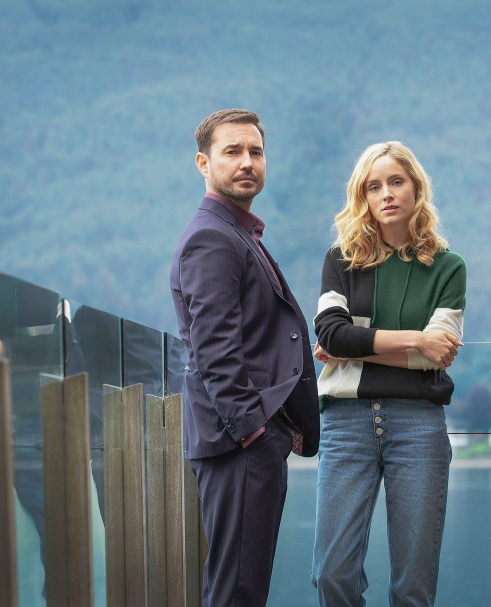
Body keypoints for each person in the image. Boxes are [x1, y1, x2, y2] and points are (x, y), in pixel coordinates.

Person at [170, 108, 321, 607]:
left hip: (245, 441)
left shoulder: (237, 231)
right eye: (231, 151)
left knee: (241, 588)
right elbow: (214, 351)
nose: (246, 162)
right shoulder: (212, 237)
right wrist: (256, 433)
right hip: (240, 445)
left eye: (255, 151)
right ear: (202, 162)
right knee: (237, 591)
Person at [311, 141, 467, 607]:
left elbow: (436, 357)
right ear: (362, 197)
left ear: (416, 188)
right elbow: (331, 335)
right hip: (345, 424)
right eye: (373, 186)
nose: (386, 194)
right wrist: (415, 339)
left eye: (396, 182)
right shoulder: (341, 261)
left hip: (418, 425)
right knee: (331, 576)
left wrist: (355, 348)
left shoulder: (447, 267)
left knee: (413, 588)